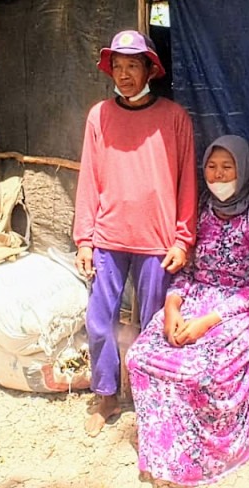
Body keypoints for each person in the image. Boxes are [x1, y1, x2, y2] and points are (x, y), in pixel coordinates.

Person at [126, 135, 249, 486]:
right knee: (140, 357)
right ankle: (163, 455)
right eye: (212, 166)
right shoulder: (201, 209)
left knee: (199, 369)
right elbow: (187, 271)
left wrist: (207, 322)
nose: (218, 174)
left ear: (244, 169)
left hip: (244, 306)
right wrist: (172, 305)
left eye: (228, 167)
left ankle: (202, 460)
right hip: (197, 296)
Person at [73, 29, 198, 437]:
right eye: (118, 66)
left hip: (157, 241)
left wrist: (183, 238)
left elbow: (187, 181)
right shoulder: (99, 116)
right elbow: (89, 179)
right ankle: (106, 395)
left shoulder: (174, 118)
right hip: (108, 238)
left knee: (153, 325)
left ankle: (151, 401)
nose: (124, 74)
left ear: (150, 70)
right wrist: (84, 239)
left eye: (132, 66)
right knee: (98, 322)